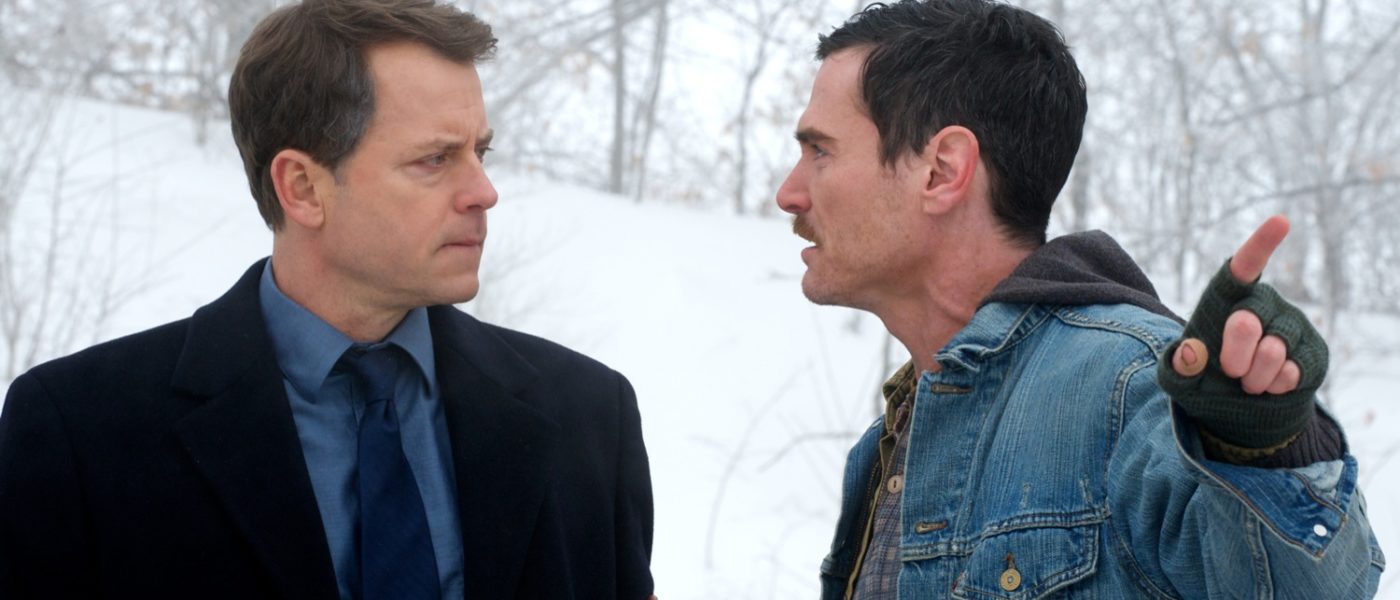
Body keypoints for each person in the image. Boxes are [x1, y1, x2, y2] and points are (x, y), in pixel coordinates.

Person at [0, 1, 654, 598]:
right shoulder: (79, 432)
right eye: (435, 159)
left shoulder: (591, 415)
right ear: (303, 188)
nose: (484, 191)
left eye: (480, 152)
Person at [775, 1, 1384, 598]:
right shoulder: (894, 440)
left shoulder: (1136, 388)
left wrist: (1266, 450)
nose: (789, 194)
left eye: (820, 150)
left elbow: (1318, 590)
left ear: (942, 170)